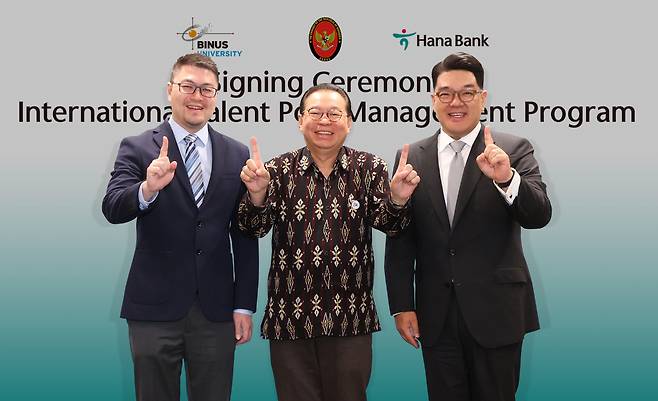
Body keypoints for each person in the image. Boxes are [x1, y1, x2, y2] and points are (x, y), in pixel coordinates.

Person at [384, 52, 552, 401]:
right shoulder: (410, 157)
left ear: (482, 98)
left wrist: (506, 178)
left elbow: (539, 215)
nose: (455, 102)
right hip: (436, 315)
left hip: (497, 312)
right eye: (445, 93)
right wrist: (402, 304)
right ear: (433, 99)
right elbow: (400, 239)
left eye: (467, 92)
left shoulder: (512, 149)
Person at [237, 83, 420, 401]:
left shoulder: (369, 167)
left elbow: (390, 226)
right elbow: (253, 229)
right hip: (290, 318)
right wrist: (256, 195)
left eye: (335, 114)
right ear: (299, 120)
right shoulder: (277, 170)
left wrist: (398, 200)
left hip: (351, 317)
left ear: (349, 121)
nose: (325, 121)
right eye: (316, 113)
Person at [102, 53, 258, 401]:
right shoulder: (138, 147)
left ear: (216, 96)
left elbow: (245, 236)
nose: (197, 96)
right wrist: (147, 189)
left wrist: (244, 305)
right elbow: (112, 206)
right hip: (154, 309)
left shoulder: (237, 154)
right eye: (188, 86)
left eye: (207, 89)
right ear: (170, 90)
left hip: (216, 311)